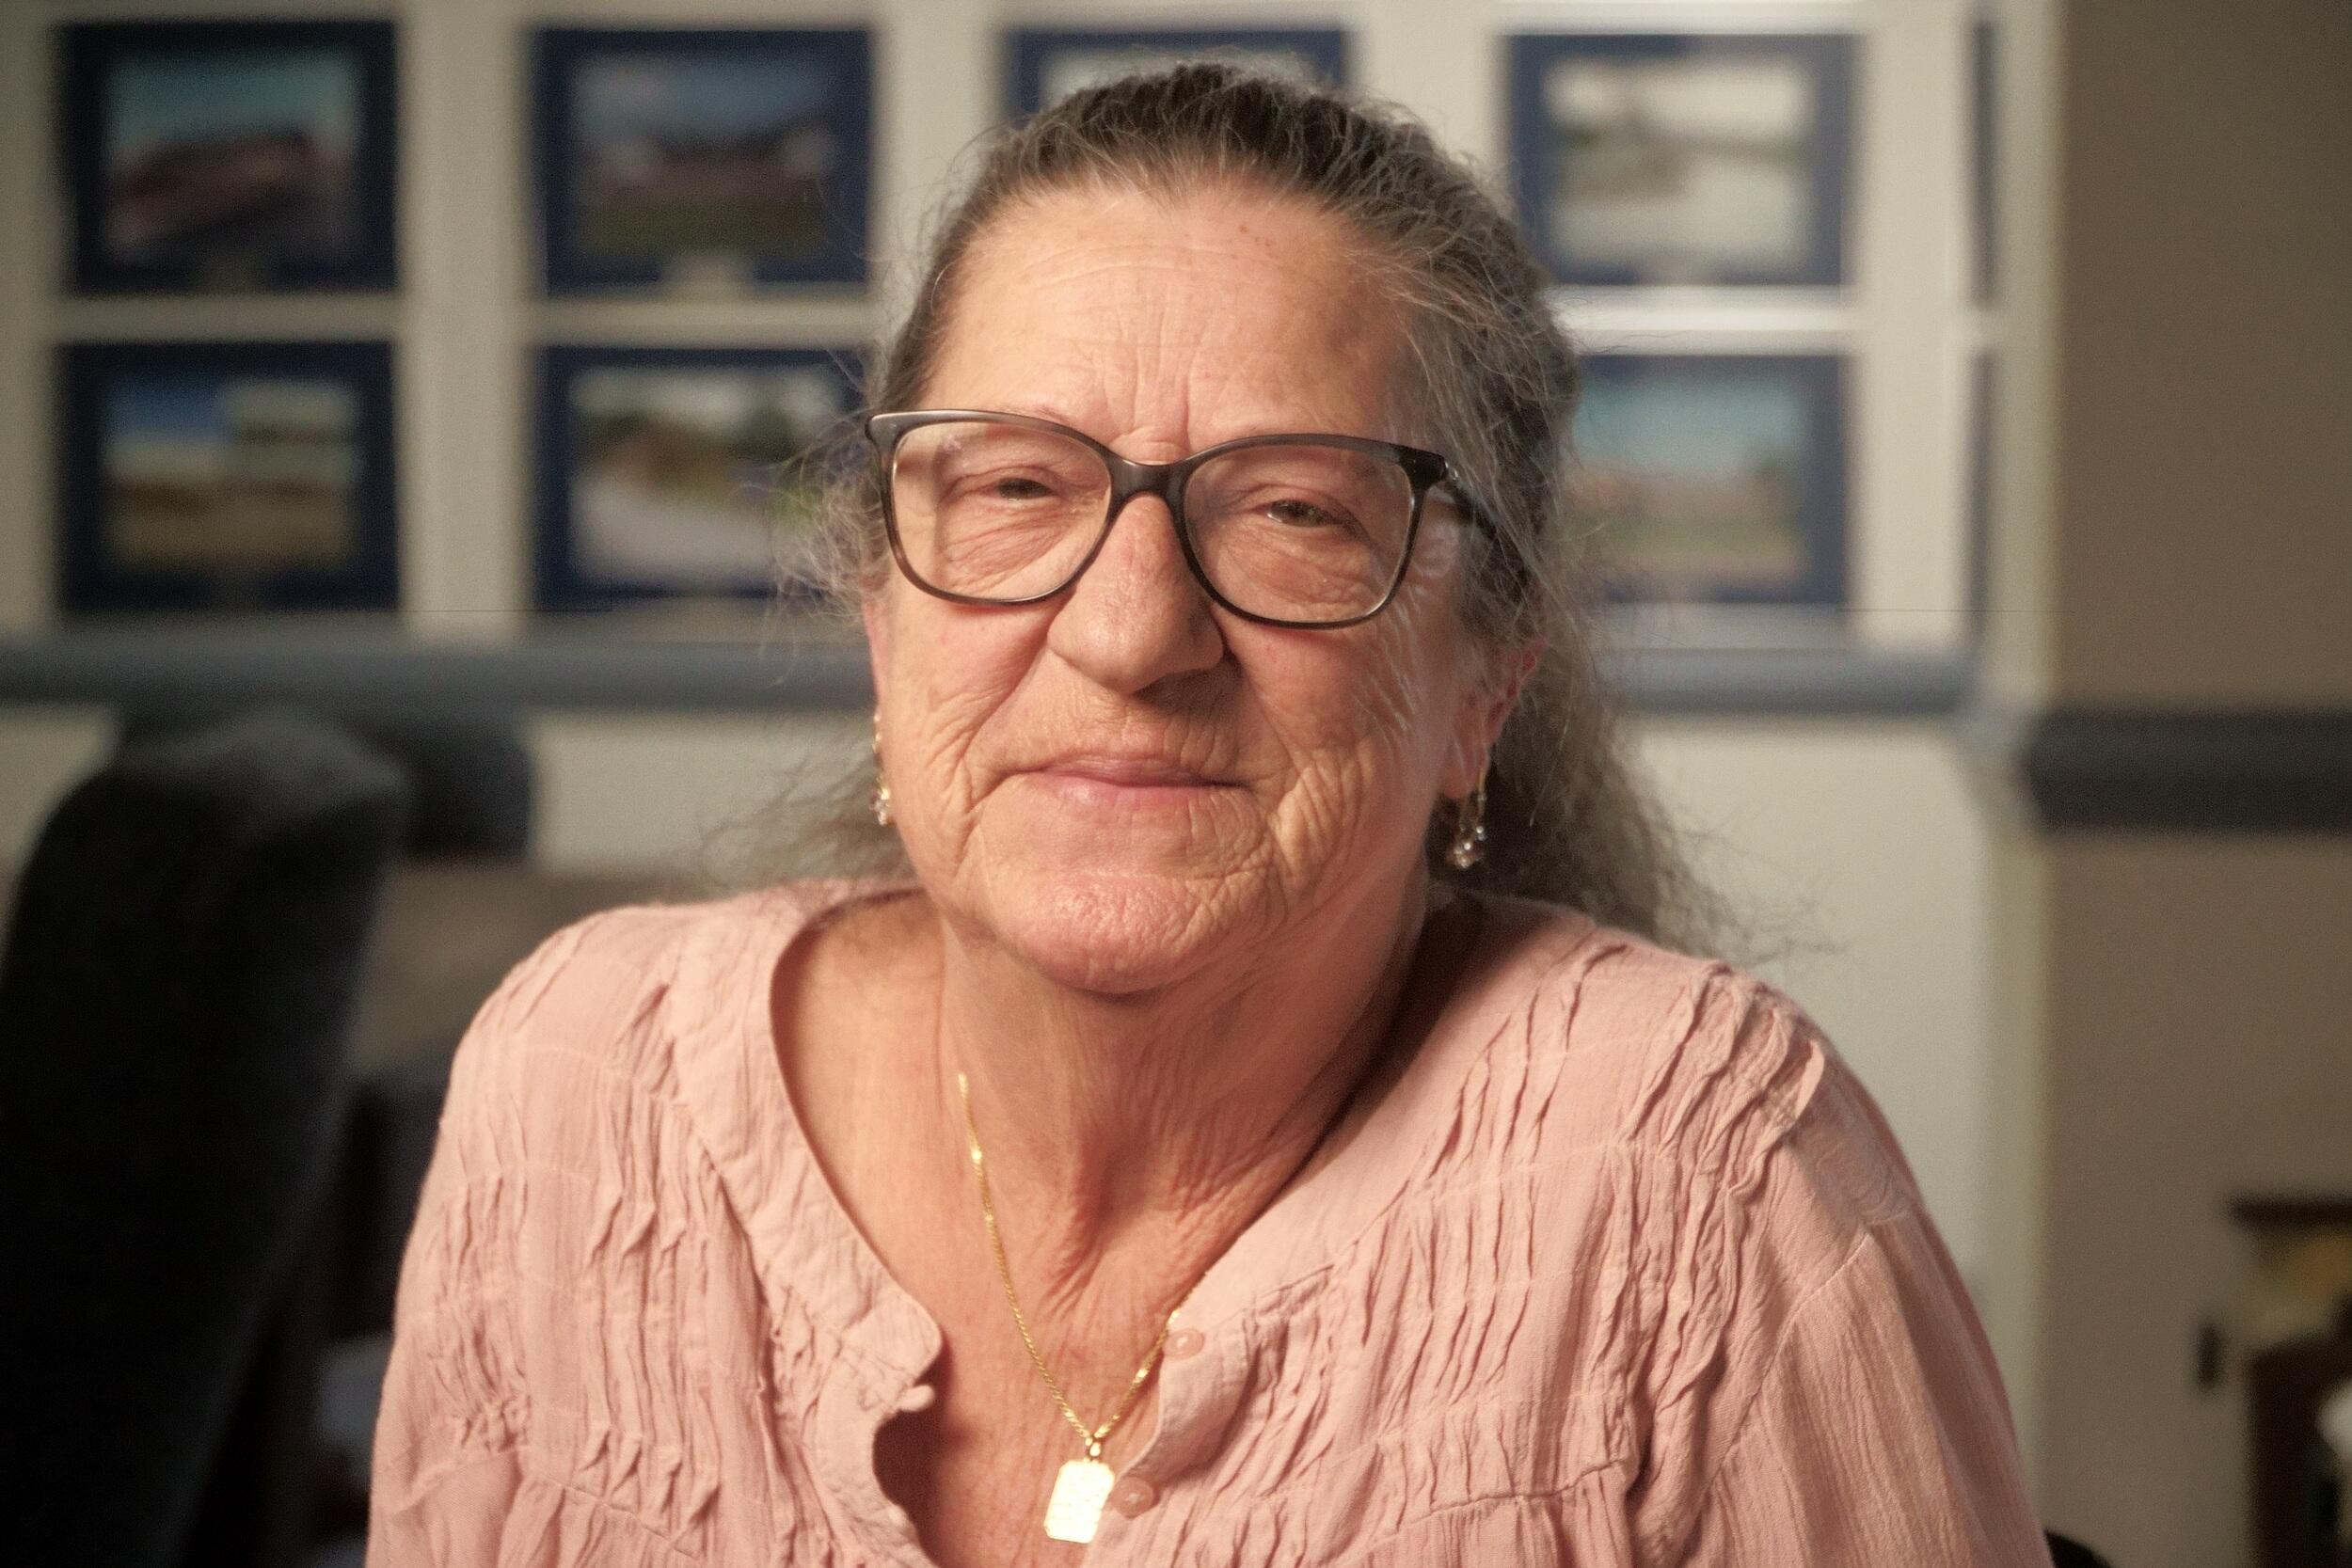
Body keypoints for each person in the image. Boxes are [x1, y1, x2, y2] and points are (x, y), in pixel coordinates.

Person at [369, 65, 2048, 1567]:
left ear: (1485, 681)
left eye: (1294, 512)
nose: (1130, 634)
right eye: (1019, 486)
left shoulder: (1711, 1183)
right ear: (882, 624)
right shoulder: (579, 1086)